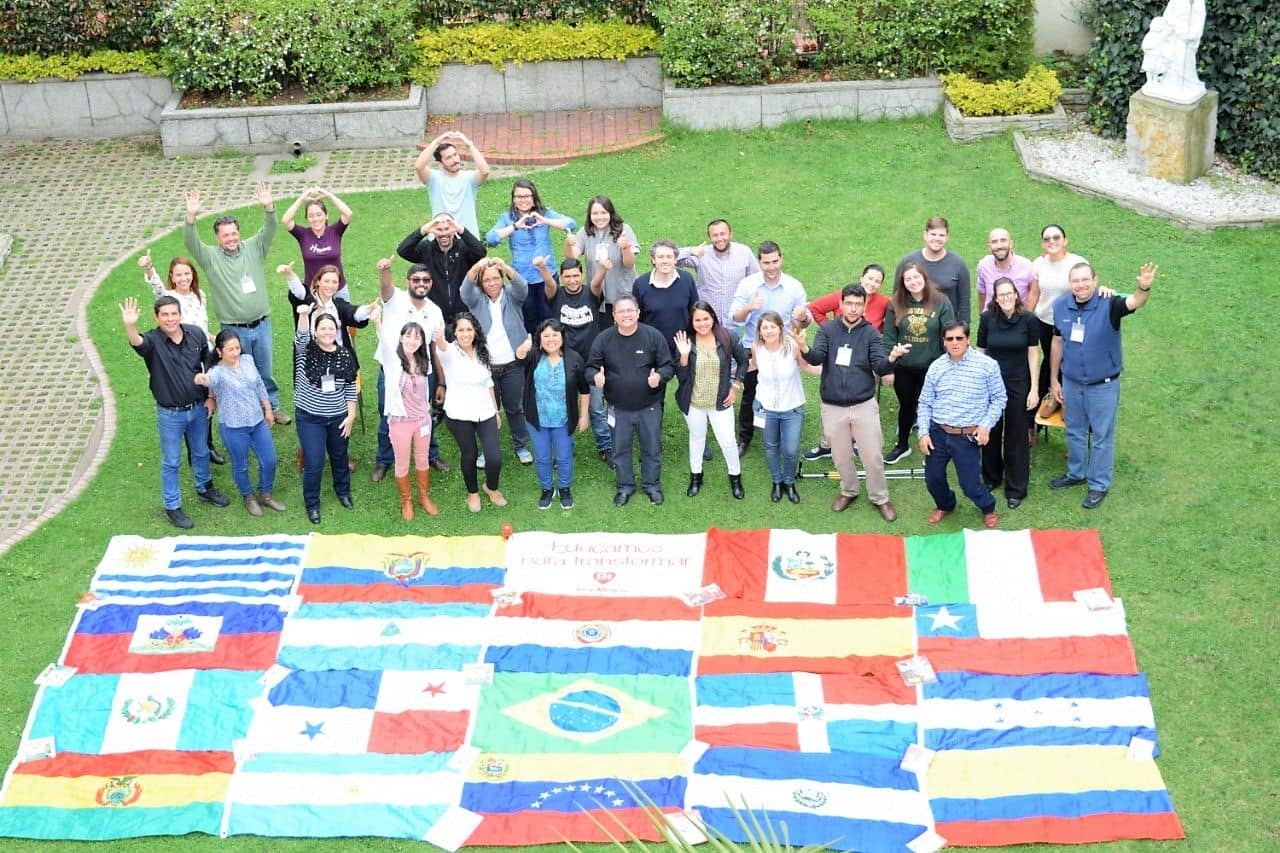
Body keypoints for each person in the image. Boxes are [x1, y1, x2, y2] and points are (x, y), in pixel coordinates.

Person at [1049, 262, 1157, 509]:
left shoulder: (1110, 303)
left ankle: (1098, 484)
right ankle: (1076, 473)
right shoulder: (1060, 306)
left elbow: (1135, 302)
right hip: (1071, 381)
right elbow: (1057, 343)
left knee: (1101, 435)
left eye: (1085, 279)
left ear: (1095, 280)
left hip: (1102, 385)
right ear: (1070, 284)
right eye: (1075, 281)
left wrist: (1144, 286)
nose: (1081, 285)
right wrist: (1054, 379)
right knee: (1074, 430)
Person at [796, 283, 908, 522]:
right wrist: (804, 347)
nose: (854, 308)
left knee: (872, 456)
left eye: (859, 304)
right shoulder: (827, 331)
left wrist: (892, 358)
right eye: (849, 303)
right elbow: (816, 357)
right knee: (841, 456)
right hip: (833, 406)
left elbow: (879, 366)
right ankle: (849, 491)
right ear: (841, 304)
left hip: (863, 406)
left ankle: (880, 497)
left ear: (864, 306)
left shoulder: (871, 334)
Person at [121, 295, 231, 529]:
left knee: (201, 451)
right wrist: (130, 325)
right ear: (157, 317)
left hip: (198, 408)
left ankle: (205, 488)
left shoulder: (196, 335)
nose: (170, 319)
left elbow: (209, 367)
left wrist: (211, 397)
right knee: (171, 461)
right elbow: (137, 342)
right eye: (165, 315)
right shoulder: (152, 341)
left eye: (174, 314)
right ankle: (172, 506)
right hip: (170, 414)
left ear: (180, 314)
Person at [183, 184, 287, 423]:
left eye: (233, 233)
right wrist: (190, 216)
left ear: (239, 233)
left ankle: (273, 405)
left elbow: (270, 229)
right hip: (234, 329)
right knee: (238, 370)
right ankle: (250, 409)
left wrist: (269, 207)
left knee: (265, 369)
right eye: (225, 235)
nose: (230, 238)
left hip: (261, 323)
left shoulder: (254, 247)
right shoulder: (209, 257)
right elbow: (190, 241)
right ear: (217, 238)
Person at [585, 294, 675, 506]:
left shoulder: (653, 336)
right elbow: (590, 367)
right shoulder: (604, 339)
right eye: (621, 311)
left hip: (649, 407)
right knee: (620, 450)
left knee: (651, 448)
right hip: (618, 409)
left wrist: (659, 377)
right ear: (614, 316)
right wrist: (595, 377)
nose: (626, 315)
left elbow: (668, 365)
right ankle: (625, 486)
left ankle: (652, 485)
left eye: (629, 310)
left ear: (638, 313)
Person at [916, 322, 1008, 529]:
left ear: (968, 339)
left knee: (970, 485)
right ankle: (945, 504)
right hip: (938, 432)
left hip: (966, 436)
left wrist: (985, 426)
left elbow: (999, 398)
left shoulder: (987, 365)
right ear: (944, 341)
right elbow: (925, 402)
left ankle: (988, 507)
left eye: (959, 338)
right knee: (933, 479)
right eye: (950, 339)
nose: (955, 343)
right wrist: (923, 433)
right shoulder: (936, 367)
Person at [139, 251, 224, 466]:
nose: (184, 278)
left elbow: (201, 325)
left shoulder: (199, 295)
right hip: (185, 355)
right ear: (172, 277)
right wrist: (149, 268)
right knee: (190, 398)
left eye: (187, 273)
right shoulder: (170, 299)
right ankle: (197, 451)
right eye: (179, 275)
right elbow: (157, 287)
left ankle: (207, 445)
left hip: (204, 350)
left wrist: (213, 338)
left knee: (207, 398)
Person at [801, 263, 888, 462]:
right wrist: (832, 332)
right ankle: (827, 444)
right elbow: (815, 308)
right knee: (832, 399)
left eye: (877, 281)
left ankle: (857, 442)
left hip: (865, 359)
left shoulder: (884, 302)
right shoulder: (845, 295)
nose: (872, 283)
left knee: (862, 403)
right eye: (869, 278)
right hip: (839, 357)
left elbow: (888, 326)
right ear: (861, 276)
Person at [371, 260, 449, 483]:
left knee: (425, 415)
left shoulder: (435, 311)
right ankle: (384, 459)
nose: (421, 284)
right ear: (408, 282)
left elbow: (435, 348)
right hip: (393, 373)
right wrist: (385, 270)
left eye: (425, 280)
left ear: (431, 284)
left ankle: (431, 454)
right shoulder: (395, 299)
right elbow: (385, 288)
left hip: (423, 374)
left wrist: (441, 382)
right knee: (388, 414)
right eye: (416, 280)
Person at [730, 240, 808, 455]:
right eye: (766, 262)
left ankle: (783, 431)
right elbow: (735, 318)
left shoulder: (794, 286)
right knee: (750, 394)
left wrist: (801, 318)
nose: (771, 267)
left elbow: (804, 322)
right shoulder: (748, 285)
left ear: (781, 259)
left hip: (784, 349)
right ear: (759, 262)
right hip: (753, 348)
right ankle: (745, 437)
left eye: (775, 261)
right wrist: (749, 307)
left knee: (783, 388)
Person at [195, 329, 284, 516]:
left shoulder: (248, 360)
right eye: (230, 349)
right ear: (220, 352)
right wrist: (203, 379)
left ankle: (266, 495)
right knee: (240, 464)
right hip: (234, 427)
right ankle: (248, 497)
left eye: (237, 347)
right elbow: (210, 380)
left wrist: (268, 408)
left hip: (257, 421)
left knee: (269, 460)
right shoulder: (217, 372)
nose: (235, 352)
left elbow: (259, 384)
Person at [534, 255, 610, 464]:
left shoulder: (591, 292)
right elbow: (549, 284)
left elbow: (596, 283)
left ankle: (605, 446)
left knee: (596, 407)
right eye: (567, 276)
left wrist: (603, 268)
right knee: (565, 407)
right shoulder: (555, 294)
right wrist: (542, 268)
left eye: (576, 275)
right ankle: (563, 450)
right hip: (564, 361)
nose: (572, 280)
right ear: (563, 278)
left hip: (592, 362)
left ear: (581, 275)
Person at [881, 261, 956, 464]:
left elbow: (949, 333)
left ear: (924, 278)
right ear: (903, 282)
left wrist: (948, 365)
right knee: (907, 405)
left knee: (931, 407)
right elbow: (888, 336)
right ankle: (902, 445)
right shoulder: (896, 302)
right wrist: (890, 364)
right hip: (904, 367)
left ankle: (932, 448)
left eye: (916, 277)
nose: (913, 282)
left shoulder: (940, 301)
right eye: (908, 279)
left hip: (932, 367)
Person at [462, 257, 534, 465]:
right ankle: (487, 449)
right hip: (486, 367)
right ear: (481, 283)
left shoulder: (512, 296)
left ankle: (520, 445)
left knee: (514, 407)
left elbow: (522, 286)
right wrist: (478, 266)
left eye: (496, 278)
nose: (492, 283)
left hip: (512, 365)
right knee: (486, 410)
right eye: (487, 280)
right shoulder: (476, 299)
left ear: (502, 280)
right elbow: (464, 290)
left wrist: (503, 266)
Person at [433, 313, 508, 512]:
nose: (465, 334)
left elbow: (489, 383)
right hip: (459, 414)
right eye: (461, 330)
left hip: (485, 411)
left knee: (494, 457)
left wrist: (495, 411)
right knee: (470, 454)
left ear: (475, 331)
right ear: (454, 333)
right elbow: (441, 345)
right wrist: (439, 335)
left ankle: (491, 487)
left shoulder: (483, 351)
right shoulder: (448, 352)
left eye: (469, 329)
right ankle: (473, 492)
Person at [673, 302, 748, 500]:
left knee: (728, 441)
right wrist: (683, 356)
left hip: (720, 401)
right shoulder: (685, 340)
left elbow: (744, 360)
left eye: (706, 318)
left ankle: (735, 477)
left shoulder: (726, 336)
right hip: (693, 402)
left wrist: (735, 386)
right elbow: (680, 377)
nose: (702, 323)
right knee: (696, 439)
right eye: (697, 320)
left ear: (713, 317)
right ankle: (696, 476)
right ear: (692, 321)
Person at [977, 278, 1040, 508]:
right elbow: (981, 350)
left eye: (1008, 293)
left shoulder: (1029, 320)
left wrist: (1034, 388)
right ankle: (991, 477)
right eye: (1000, 294)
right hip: (991, 383)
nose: (1004, 298)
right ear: (995, 297)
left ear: (1016, 295)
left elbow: (1034, 353)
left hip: (1018, 382)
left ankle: (1016, 488)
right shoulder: (987, 318)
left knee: (1016, 433)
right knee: (991, 430)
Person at [292, 305, 358, 524]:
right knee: (315, 461)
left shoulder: (344, 355)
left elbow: (349, 387)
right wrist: (303, 314)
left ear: (337, 330)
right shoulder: (305, 351)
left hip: (338, 417)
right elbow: (301, 337)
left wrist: (350, 416)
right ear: (315, 332)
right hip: (310, 418)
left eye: (331, 328)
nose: (327, 332)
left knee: (340, 456)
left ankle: (343, 491)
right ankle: (312, 503)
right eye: (323, 328)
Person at [485, 179, 577, 332]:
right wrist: (515, 226)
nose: (523, 200)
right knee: (528, 319)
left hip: (546, 275)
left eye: (527, 196)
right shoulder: (507, 218)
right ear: (513, 199)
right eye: (519, 196)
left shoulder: (544, 213)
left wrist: (545, 220)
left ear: (534, 198)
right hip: (522, 279)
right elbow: (491, 238)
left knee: (551, 318)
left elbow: (571, 223)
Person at [521, 319, 590, 510]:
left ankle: (565, 488)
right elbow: (519, 359)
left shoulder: (574, 359)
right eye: (546, 336)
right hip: (537, 419)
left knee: (564, 456)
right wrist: (522, 349)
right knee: (542, 457)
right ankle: (547, 489)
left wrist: (584, 416)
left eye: (555, 335)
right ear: (539, 339)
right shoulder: (533, 356)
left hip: (563, 419)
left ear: (562, 337)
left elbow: (585, 390)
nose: (551, 339)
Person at [753, 311, 817, 503]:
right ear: (760, 332)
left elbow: (806, 366)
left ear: (780, 328)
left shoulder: (792, 346)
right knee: (770, 446)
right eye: (765, 327)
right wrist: (730, 375)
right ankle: (777, 481)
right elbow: (752, 366)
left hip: (792, 408)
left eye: (773, 326)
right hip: (765, 408)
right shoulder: (757, 348)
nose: (769, 330)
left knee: (790, 449)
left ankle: (789, 481)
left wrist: (833, 371)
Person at [378, 321, 439, 520]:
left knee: (422, 460)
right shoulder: (392, 361)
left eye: (417, 337)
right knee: (402, 463)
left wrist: (427, 407)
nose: (413, 341)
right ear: (401, 338)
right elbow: (385, 343)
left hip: (422, 421)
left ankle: (424, 496)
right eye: (408, 336)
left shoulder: (424, 362)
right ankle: (407, 501)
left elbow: (425, 389)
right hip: (400, 422)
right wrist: (379, 323)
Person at [1031, 224, 1088, 417]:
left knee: (1070, 360)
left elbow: (1087, 287)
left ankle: (1068, 402)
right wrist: (1025, 318)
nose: (1052, 241)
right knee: (1051, 360)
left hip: (1072, 322)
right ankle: (1053, 397)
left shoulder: (1077, 262)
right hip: (1046, 321)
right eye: (1047, 239)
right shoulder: (1038, 263)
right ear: (1042, 243)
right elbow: (1034, 292)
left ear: (1065, 240)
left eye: (1056, 237)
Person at [396, 212, 486, 326]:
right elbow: (403, 250)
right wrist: (424, 229)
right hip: (435, 315)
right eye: (439, 229)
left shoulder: (463, 248)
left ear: (454, 229)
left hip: (463, 314)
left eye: (447, 229)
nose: (443, 234)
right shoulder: (426, 249)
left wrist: (461, 229)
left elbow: (481, 252)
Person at [677, 219, 760, 334]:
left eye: (723, 234)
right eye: (715, 235)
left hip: (735, 322)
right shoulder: (702, 254)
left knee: (736, 351)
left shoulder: (744, 252)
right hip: (708, 323)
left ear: (730, 233)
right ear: (709, 237)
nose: (719, 238)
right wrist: (691, 250)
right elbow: (671, 258)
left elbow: (757, 279)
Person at [565, 195, 640, 320]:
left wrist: (625, 247)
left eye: (603, 213)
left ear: (610, 213)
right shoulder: (585, 232)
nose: (599, 217)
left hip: (623, 294)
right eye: (595, 213)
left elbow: (629, 264)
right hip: (598, 296)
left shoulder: (624, 230)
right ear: (589, 215)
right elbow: (571, 260)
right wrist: (568, 245)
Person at [895, 215, 971, 325]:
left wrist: (963, 331)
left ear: (947, 237)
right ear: (925, 235)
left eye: (941, 235)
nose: (937, 238)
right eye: (933, 234)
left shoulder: (958, 264)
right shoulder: (907, 262)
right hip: (913, 328)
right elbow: (897, 297)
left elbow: (964, 303)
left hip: (946, 328)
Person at [282, 187, 354, 300]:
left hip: (338, 290)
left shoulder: (335, 231)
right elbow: (286, 220)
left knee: (345, 318)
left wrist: (330, 195)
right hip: (314, 293)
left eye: (319, 214)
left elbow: (348, 213)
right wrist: (301, 198)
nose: (315, 219)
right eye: (311, 216)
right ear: (307, 219)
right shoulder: (303, 234)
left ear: (326, 215)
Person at [414, 131, 490, 236]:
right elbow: (419, 166)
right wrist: (436, 141)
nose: (454, 160)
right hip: (441, 239)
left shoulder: (469, 178)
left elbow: (485, 171)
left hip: (468, 240)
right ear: (440, 163)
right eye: (448, 157)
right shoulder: (433, 179)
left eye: (455, 155)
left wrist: (470, 145)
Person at [634, 239, 700, 357]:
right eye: (660, 257)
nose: (665, 261)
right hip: (653, 346)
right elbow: (637, 318)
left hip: (682, 345)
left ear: (675, 260)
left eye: (669, 257)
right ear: (653, 260)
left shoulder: (687, 280)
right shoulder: (641, 284)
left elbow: (695, 311)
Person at [976, 227, 1037, 312]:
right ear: (989, 247)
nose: (999, 246)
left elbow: (1034, 294)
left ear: (1011, 243)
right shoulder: (983, 266)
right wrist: (982, 317)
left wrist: (1027, 318)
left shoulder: (1027, 267)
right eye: (994, 242)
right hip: (992, 319)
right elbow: (982, 293)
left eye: (1003, 240)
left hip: (1018, 320)